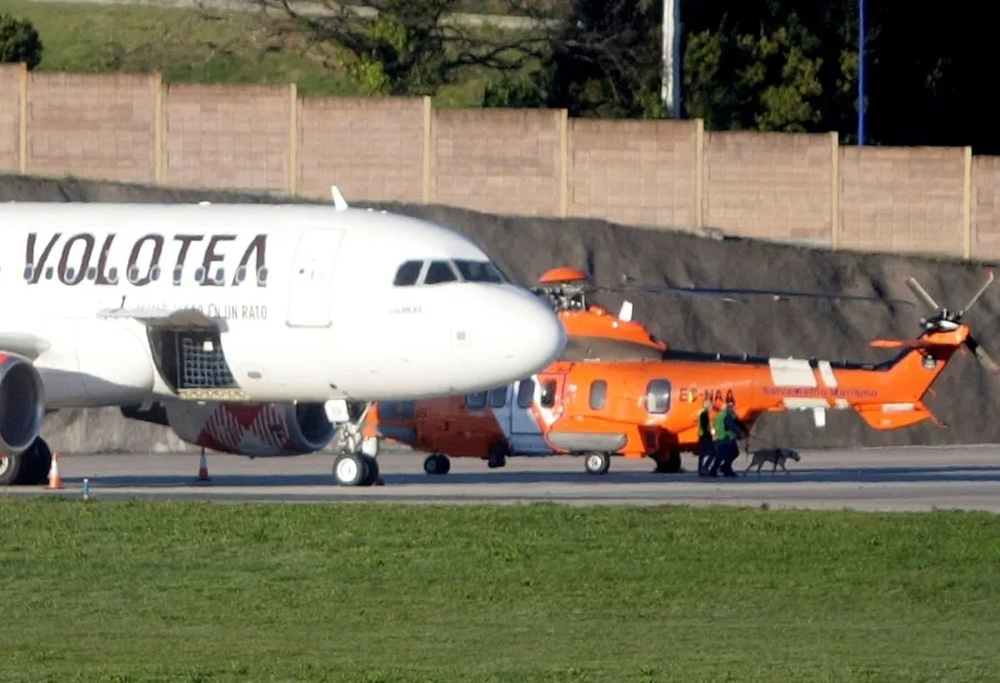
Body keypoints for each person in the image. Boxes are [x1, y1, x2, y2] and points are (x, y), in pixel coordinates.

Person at [709, 399, 748, 478]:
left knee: (722, 455)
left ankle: (719, 469)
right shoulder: (727, 416)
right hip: (727, 439)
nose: (733, 408)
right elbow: (732, 426)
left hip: (720, 437)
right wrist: (740, 433)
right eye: (731, 407)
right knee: (732, 453)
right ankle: (724, 469)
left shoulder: (719, 415)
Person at [696, 399, 715, 476]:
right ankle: (705, 468)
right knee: (713, 452)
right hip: (705, 436)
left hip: (701, 435)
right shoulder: (704, 413)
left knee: (702, 454)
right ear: (706, 405)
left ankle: (701, 470)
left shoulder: (702, 412)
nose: (711, 406)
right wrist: (709, 435)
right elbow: (704, 426)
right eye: (710, 405)